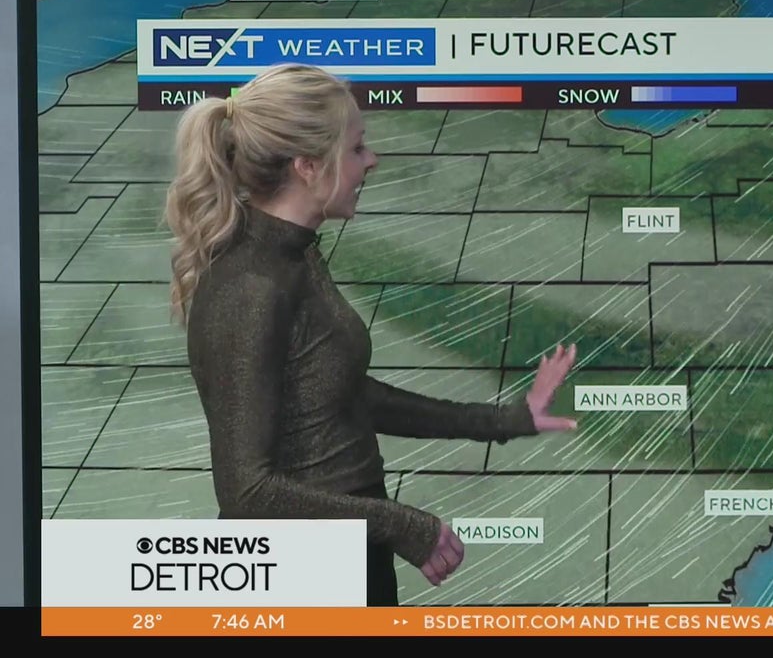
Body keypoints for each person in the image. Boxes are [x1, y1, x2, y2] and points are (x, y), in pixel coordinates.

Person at [163, 63, 578, 606]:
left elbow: (342, 395)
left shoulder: (293, 256)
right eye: (357, 148)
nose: (372, 160)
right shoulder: (252, 287)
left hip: (344, 555)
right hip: (303, 582)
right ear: (308, 166)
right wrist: (401, 525)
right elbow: (247, 493)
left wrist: (505, 420)